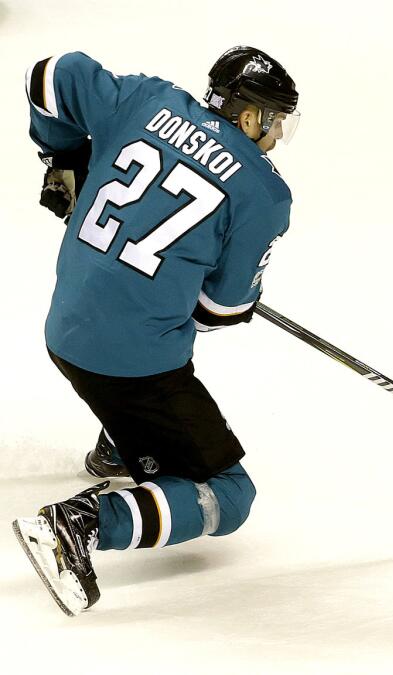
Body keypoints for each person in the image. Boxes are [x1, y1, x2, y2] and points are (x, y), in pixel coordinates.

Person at [12, 47, 299, 616]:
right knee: (230, 496)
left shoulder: (148, 100)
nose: (275, 135)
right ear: (249, 117)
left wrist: (64, 160)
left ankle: (121, 447)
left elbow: (49, 75)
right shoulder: (265, 194)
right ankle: (82, 525)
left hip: (63, 326)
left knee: (142, 353)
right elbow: (218, 311)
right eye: (276, 122)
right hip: (126, 365)